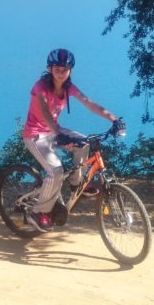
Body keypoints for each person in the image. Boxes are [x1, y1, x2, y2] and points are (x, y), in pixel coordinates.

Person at [22, 48, 121, 233]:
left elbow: (89, 103)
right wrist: (58, 133)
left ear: (71, 70)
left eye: (65, 69)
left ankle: (77, 185)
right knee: (56, 171)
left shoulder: (68, 88)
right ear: (50, 69)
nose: (61, 73)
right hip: (35, 135)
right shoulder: (40, 87)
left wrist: (114, 119)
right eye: (57, 69)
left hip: (53, 131)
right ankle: (37, 212)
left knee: (84, 142)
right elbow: (44, 111)